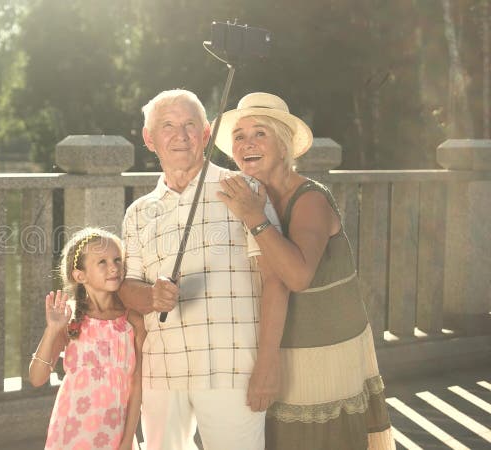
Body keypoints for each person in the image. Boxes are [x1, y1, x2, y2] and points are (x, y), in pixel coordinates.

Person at [215, 92, 395, 449]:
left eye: (259, 133)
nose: (246, 143)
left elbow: (297, 277)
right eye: (239, 135)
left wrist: (252, 217)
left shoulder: (309, 198)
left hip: (325, 350)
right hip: (286, 343)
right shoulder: (254, 196)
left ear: (283, 146)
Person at [119, 89, 288, 450]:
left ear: (207, 134)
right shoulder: (137, 213)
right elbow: (126, 287)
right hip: (162, 372)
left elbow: (276, 280)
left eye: (189, 125)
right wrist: (150, 296)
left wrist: (268, 363)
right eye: (167, 126)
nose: (180, 136)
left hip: (232, 369)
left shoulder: (244, 189)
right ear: (150, 139)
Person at [30, 227, 146, 450]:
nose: (113, 267)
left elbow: (137, 383)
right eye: (102, 262)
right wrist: (52, 330)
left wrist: (127, 439)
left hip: (115, 435)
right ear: (80, 275)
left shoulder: (132, 321)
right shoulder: (70, 318)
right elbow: (37, 378)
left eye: (117, 259)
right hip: (70, 432)